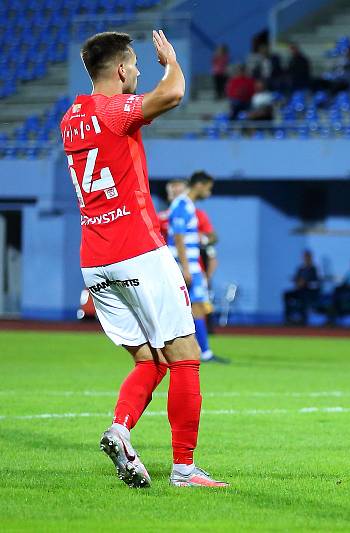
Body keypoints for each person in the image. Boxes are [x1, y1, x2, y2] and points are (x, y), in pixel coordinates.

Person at [61, 30, 226, 488]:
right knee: (186, 356)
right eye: (133, 66)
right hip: (137, 251)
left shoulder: (71, 116)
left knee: (150, 362)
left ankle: (120, 429)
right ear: (118, 70)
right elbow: (172, 92)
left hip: (95, 261)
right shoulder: (112, 110)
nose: (137, 72)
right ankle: (184, 468)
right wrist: (171, 60)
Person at [168, 171, 229, 364]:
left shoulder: (189, 206)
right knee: (190, 308)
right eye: (209, 188)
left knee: (197, 308)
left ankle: (202, 351)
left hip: (191, 265)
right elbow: (178, 237)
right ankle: (199, 352)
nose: (209, 193)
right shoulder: (182, 204)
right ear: (200, 185)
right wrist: (185, 268)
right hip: (185, 266)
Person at [283, 249, 321, 325]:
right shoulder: (300, 268)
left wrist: (305, 283)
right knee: (286, 294)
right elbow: (297, 279)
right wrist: (297, 281)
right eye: (304, 257)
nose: (306, 258)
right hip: (300, 290)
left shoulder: (314, 268)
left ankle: (303, 319)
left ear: (311, 257)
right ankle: (288, 318)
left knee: (304, 297)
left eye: (307, 256)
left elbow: (315, 281)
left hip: (309, 291)